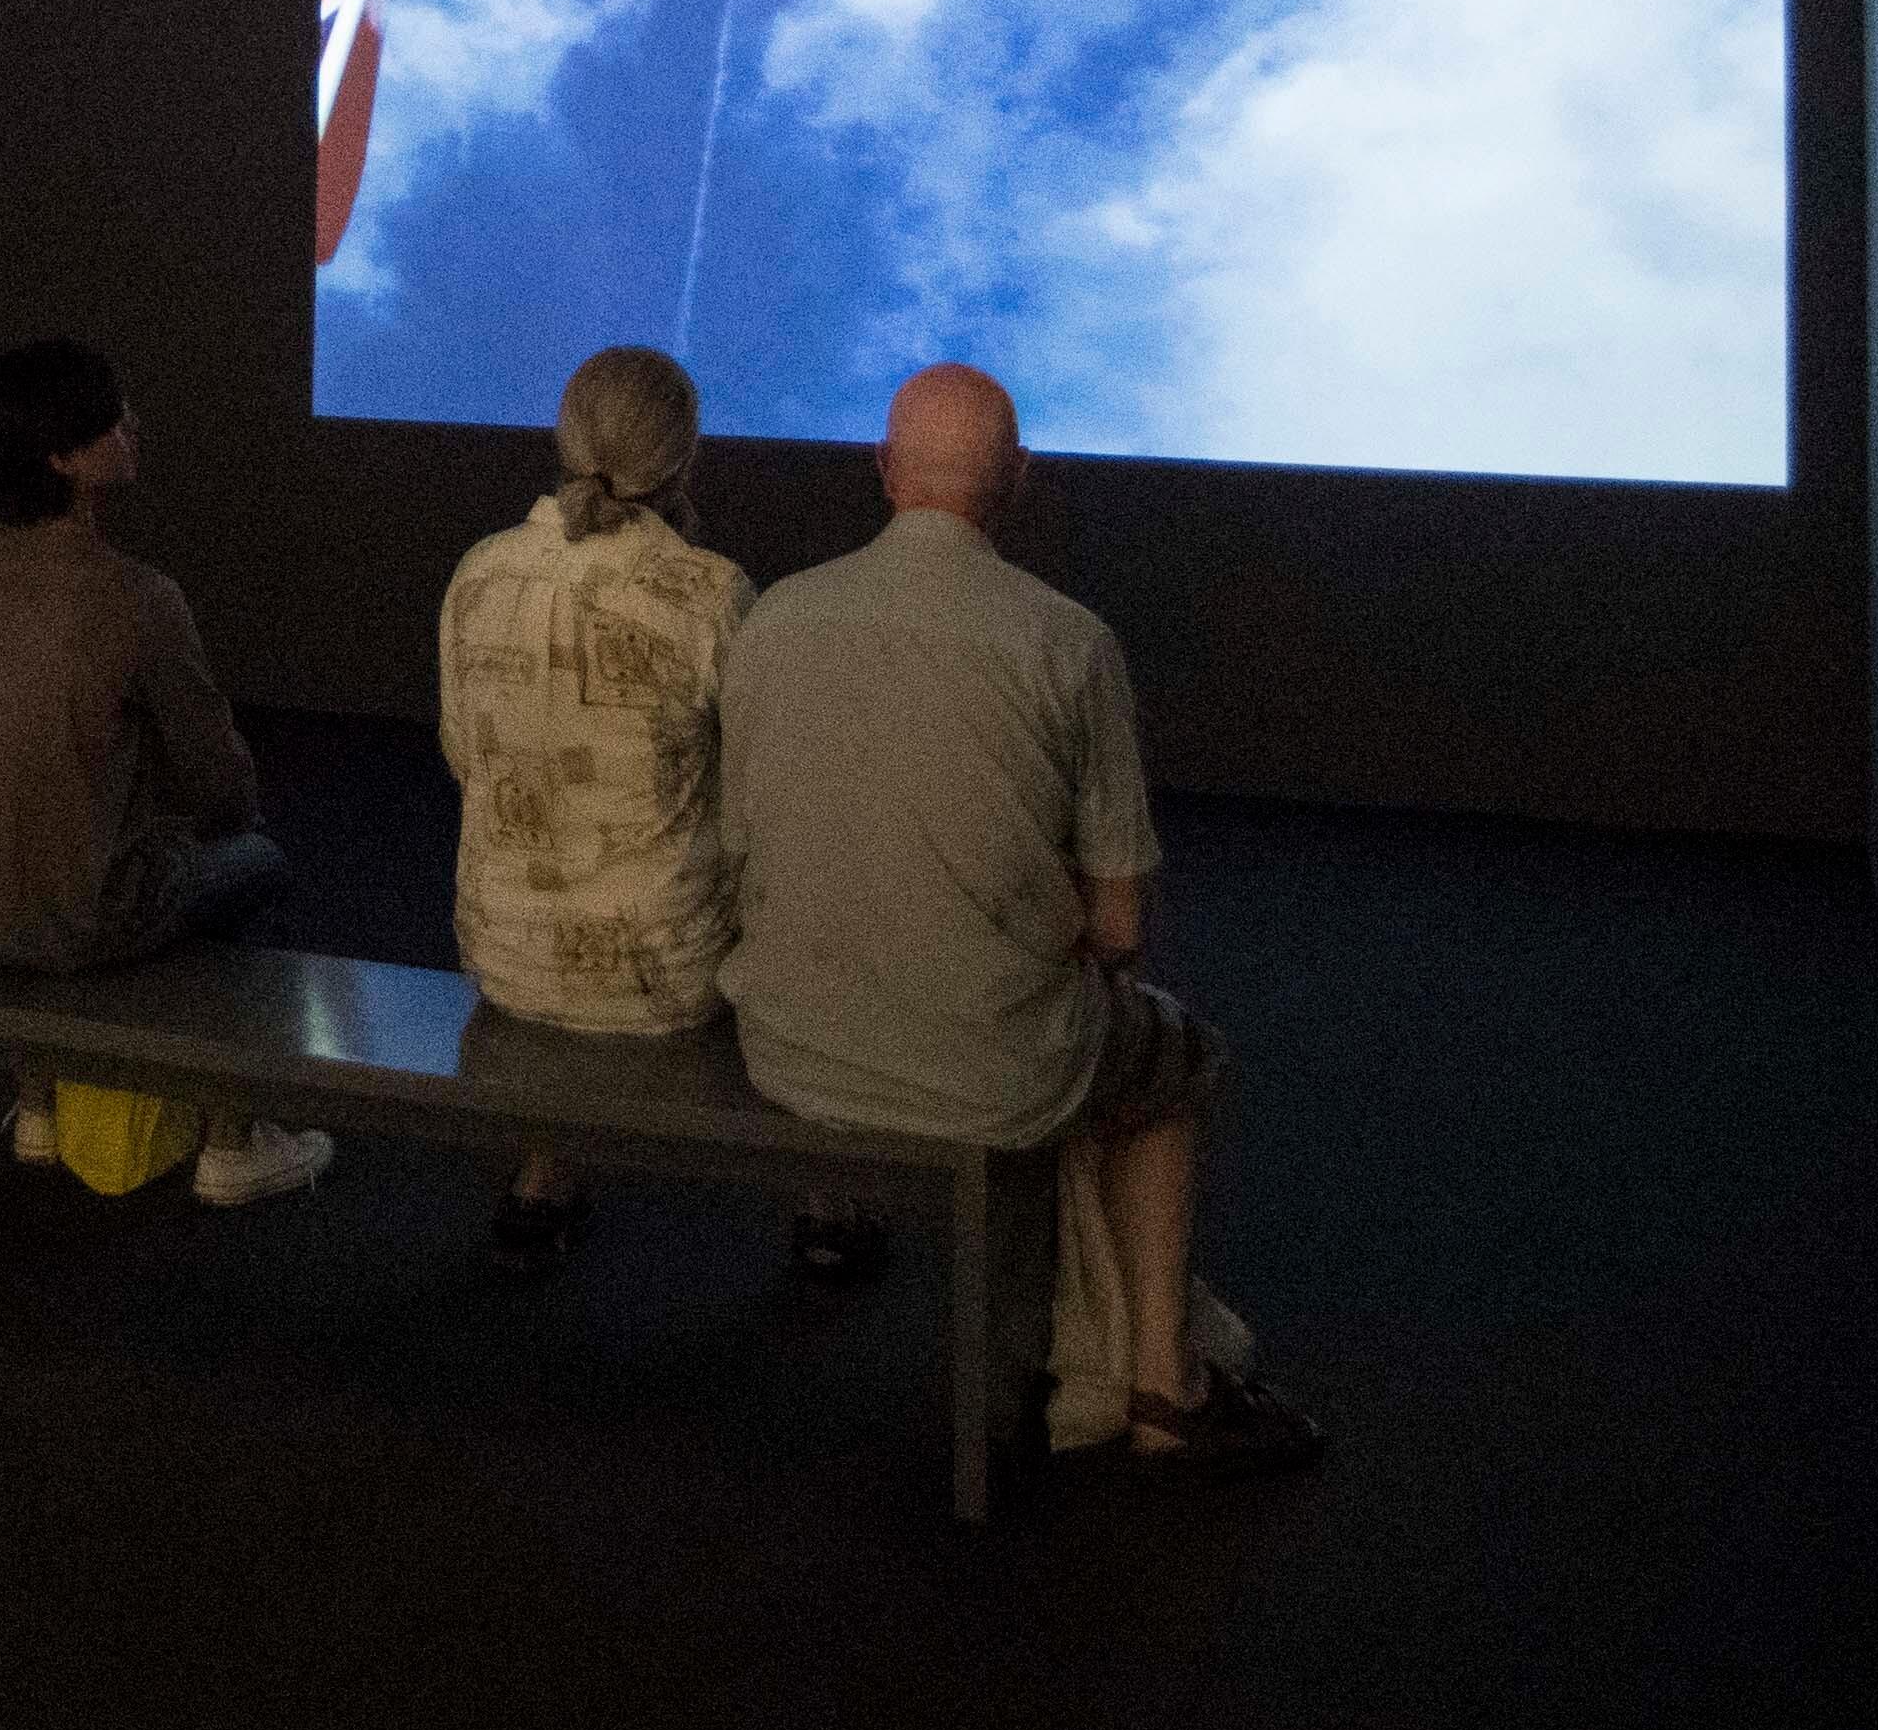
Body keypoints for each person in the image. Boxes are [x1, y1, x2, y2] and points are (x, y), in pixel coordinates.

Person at [714, 362, 1321, 1474]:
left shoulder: (775, 619)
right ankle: (1157, 1385)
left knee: (1078, 1036)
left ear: (885, 471)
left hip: (789, 1049)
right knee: (1172, 1062)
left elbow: (741, 851)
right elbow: (1123, 925)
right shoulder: (1069, 642)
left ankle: (1098, 1363)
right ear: (1022, 482)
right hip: (992, 1070)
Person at [0, 337, 326, 1209]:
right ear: (62, 459)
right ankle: (233, 1139)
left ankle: (36, 1109)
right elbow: (225, 791)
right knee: (259, 865)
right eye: (111, 418)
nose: (133, 425)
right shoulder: (136, 596)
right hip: (71, 919)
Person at [438, 345, 753, 1255]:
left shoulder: (480, 574)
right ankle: (828, 1194)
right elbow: (757, 804)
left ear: (560, 439)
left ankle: (547, 1174)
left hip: (503, 956)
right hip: (669, 974)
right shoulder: (711, 595)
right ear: (687, 460)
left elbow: (467, 760)